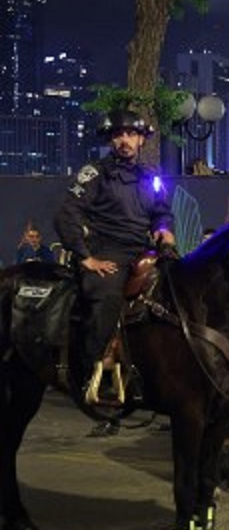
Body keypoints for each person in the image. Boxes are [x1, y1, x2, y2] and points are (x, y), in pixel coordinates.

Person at [54, 109, 175, 416]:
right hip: (106, 251)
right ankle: (92, 373)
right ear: (111, 140)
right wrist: (86, 257)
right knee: (107, 297)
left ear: (141, 139)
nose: (125, 140)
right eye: (118, 135)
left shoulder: (152, 177)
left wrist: (164, 229)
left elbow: (161, 212)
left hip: (143, 251)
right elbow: (67, 214)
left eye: (131, 134)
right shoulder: (94, 173)